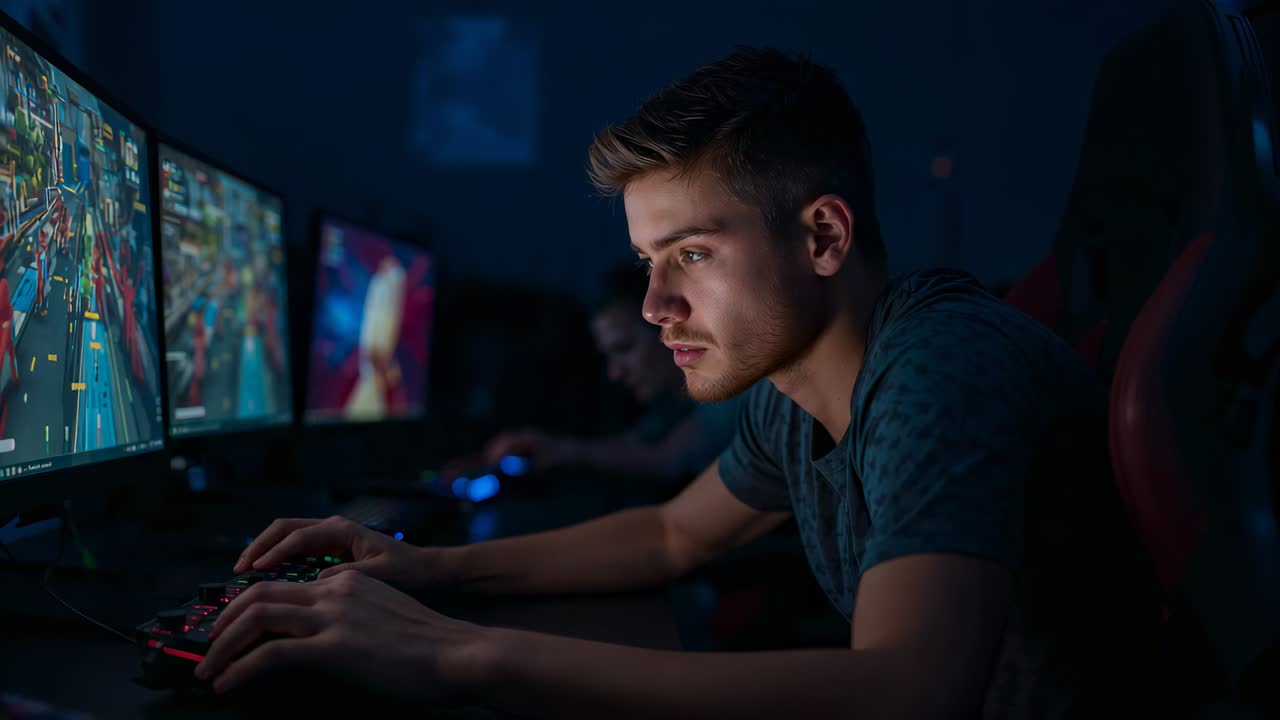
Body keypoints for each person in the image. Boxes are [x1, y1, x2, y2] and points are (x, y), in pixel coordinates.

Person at [195, 47, 1161, 717]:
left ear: (823, 236)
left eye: (691, 253)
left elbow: (906, 693)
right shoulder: (796, 392)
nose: (655, 307)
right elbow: (670, 532)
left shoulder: (936, 369)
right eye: (649, 260)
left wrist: (449, 653)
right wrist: (425, 568)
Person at [452, 262, 741, 486]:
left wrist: (563, 451)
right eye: (608, 356)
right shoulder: (673, 407)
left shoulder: (734, 390)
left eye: (625, 348)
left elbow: (667, 458)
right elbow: (634, 446)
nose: (615, 373)